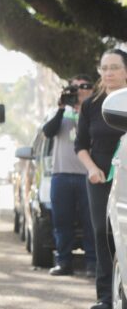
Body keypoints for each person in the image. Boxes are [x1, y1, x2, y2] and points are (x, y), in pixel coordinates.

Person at [75, 48, 127, 309]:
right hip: (100, 178)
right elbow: (80, 145)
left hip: (125, 173)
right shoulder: (91, 105)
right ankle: (107, 296)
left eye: (114, 67)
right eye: (104, 68)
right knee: (102, 233)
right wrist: (92, 169)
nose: (108, 73)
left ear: (126, 71)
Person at [42, 75, 95, 277]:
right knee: (62, 222)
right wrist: (62, 108)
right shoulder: (60, 112)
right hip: (61, 175)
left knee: (91, 223)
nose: (79, 91)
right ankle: (64, 263)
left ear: (92, 90)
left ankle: (93, 264)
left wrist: (84, 110)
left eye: (84, 87)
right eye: (75, 88)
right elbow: (48, 132)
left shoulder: (95, 112)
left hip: (88, 175)